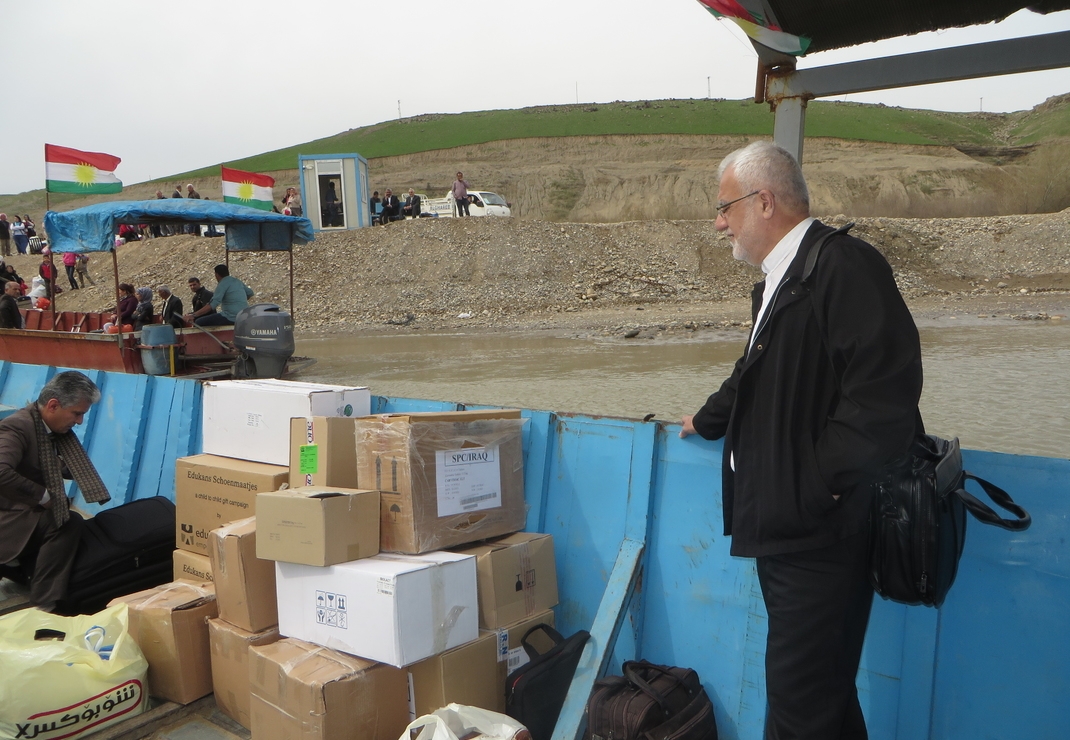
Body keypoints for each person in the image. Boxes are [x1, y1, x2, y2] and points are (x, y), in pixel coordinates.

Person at [679, 141, 922, 740]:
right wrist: (707, 420)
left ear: (763, 202)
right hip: (790, 527)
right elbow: (753, 372)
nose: (719, 222)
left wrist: (814, 488)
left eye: (725, 207)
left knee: (797, 704)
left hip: (819, 532)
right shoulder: (779, 279)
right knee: (823, 696)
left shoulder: (842, 266)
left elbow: (884, 400)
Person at [0, 371, 111, 610]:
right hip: (6, 518)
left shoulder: (42, 428)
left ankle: (16, 566)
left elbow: (39, 463)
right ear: (53, 405)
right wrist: (45, 496)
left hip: (17, 512)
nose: (79, 422)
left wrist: (72, 468)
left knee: (63, 514)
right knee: (65, 522)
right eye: (77, 413)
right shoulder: (17, 427)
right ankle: (45, 605)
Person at [186, 264, 253, 327]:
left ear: (216, 274)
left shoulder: (222, 284)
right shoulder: (237, 281)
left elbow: (213, 304)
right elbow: (250, 293)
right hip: (243, 316)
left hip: (230, 317)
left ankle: (212, 339)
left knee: (198, 322)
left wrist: (194, 315)